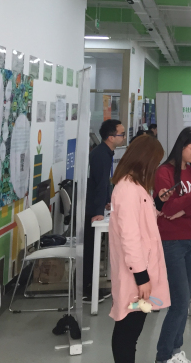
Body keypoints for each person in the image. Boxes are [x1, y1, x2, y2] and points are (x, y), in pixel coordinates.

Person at [109, 135, 170, 363]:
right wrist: (142, 277)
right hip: (134, 273)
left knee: (132, 329)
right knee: (127, 330)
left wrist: (159, 202)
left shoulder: (136, 187)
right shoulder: (127, 189)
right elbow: (130, 238)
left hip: (139, 269)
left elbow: (145, 221)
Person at [154, 128, 191, 363]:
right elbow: (167, 207)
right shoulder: (164, 172)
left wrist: (184, 210)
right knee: (178, 302)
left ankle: (175, 351)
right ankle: (164, 355)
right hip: (172, 241)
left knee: (184, 299)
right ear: (182, 145)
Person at [84, 119, 125, 297]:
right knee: (90, 248)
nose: (124, 137)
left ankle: (90, 286)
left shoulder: (105, 153)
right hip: (91, 208)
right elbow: (100, 184)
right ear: (111, 137)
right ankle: (86, 289)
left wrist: (107, 201)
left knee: (93, 247)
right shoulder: (101, 155)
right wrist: (99, 212)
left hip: (96, 204)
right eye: (121, 134)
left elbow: (104, 184)